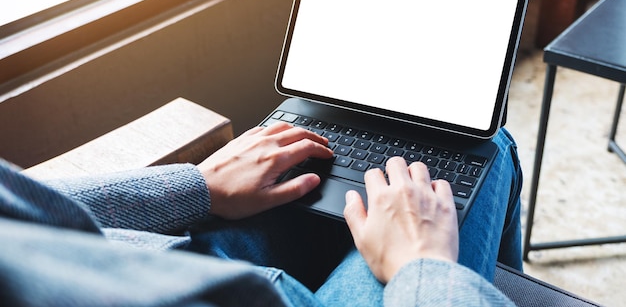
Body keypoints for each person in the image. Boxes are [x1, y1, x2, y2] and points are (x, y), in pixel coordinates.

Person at [0, 121, 523, 306]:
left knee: (330, 153)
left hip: (177, 259)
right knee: (487, 146)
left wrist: (197, 185)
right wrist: (426, 269)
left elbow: (24, 203)